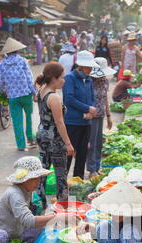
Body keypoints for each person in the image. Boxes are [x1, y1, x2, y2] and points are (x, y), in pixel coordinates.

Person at [35, 62, 75, 201]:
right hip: (54, 139)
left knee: (42, 172)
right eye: (62, 77)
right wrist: (68, 144)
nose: (64, 80)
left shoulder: (41, 91)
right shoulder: (54, 98)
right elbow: (59, 122)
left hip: (42, 135)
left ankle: (38, 205)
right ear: (54, 78)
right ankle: (63, 208)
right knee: (61, 176)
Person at [62, 50, 97, 179]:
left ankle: (78, 180)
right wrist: (87, 109)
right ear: (81, 66)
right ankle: (62, 182)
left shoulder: (89, 80)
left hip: (87, 122)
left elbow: (92, 98)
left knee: (82, 153)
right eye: (89, 67)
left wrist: (91, 111)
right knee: (69, 152)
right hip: (73, 122)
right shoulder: (69, 78)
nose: (91, 69)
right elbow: (69, 99)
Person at [0, 38, 37, 152]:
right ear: (17, 50)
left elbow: (1, 81)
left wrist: (2, 92)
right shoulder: (23, 61)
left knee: (17, 121)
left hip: (13, 96)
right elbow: (29, 78)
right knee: (29, 117)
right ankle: (30, 139)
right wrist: (34, 92)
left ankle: (20, 145)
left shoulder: (2, 63)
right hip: (25, 94)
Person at [87, 57, 115, 178]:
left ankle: (97, 167)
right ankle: (91, 169)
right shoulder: (88, 81)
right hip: (90, 116)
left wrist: (109, 116)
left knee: (99, 143)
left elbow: (105, 99)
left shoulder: (104, 81)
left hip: (101, 115)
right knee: (91, 143)